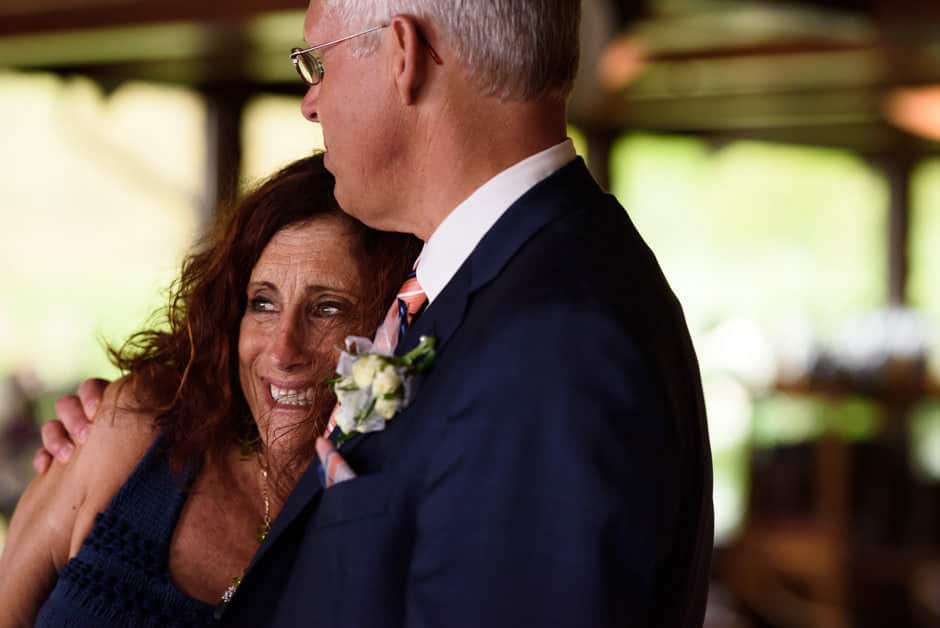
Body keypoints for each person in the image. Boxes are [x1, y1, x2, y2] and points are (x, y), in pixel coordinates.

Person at [38, 0, 715, 625]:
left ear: (403, 54)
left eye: (318, 61)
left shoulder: (552, 342)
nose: (310, 102)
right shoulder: (502, 284)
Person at [0, 153, 420, 626]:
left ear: (392, 328)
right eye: (262, 303)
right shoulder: (134, 430)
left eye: (327, 308)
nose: (282, 351)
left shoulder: (404, 516)